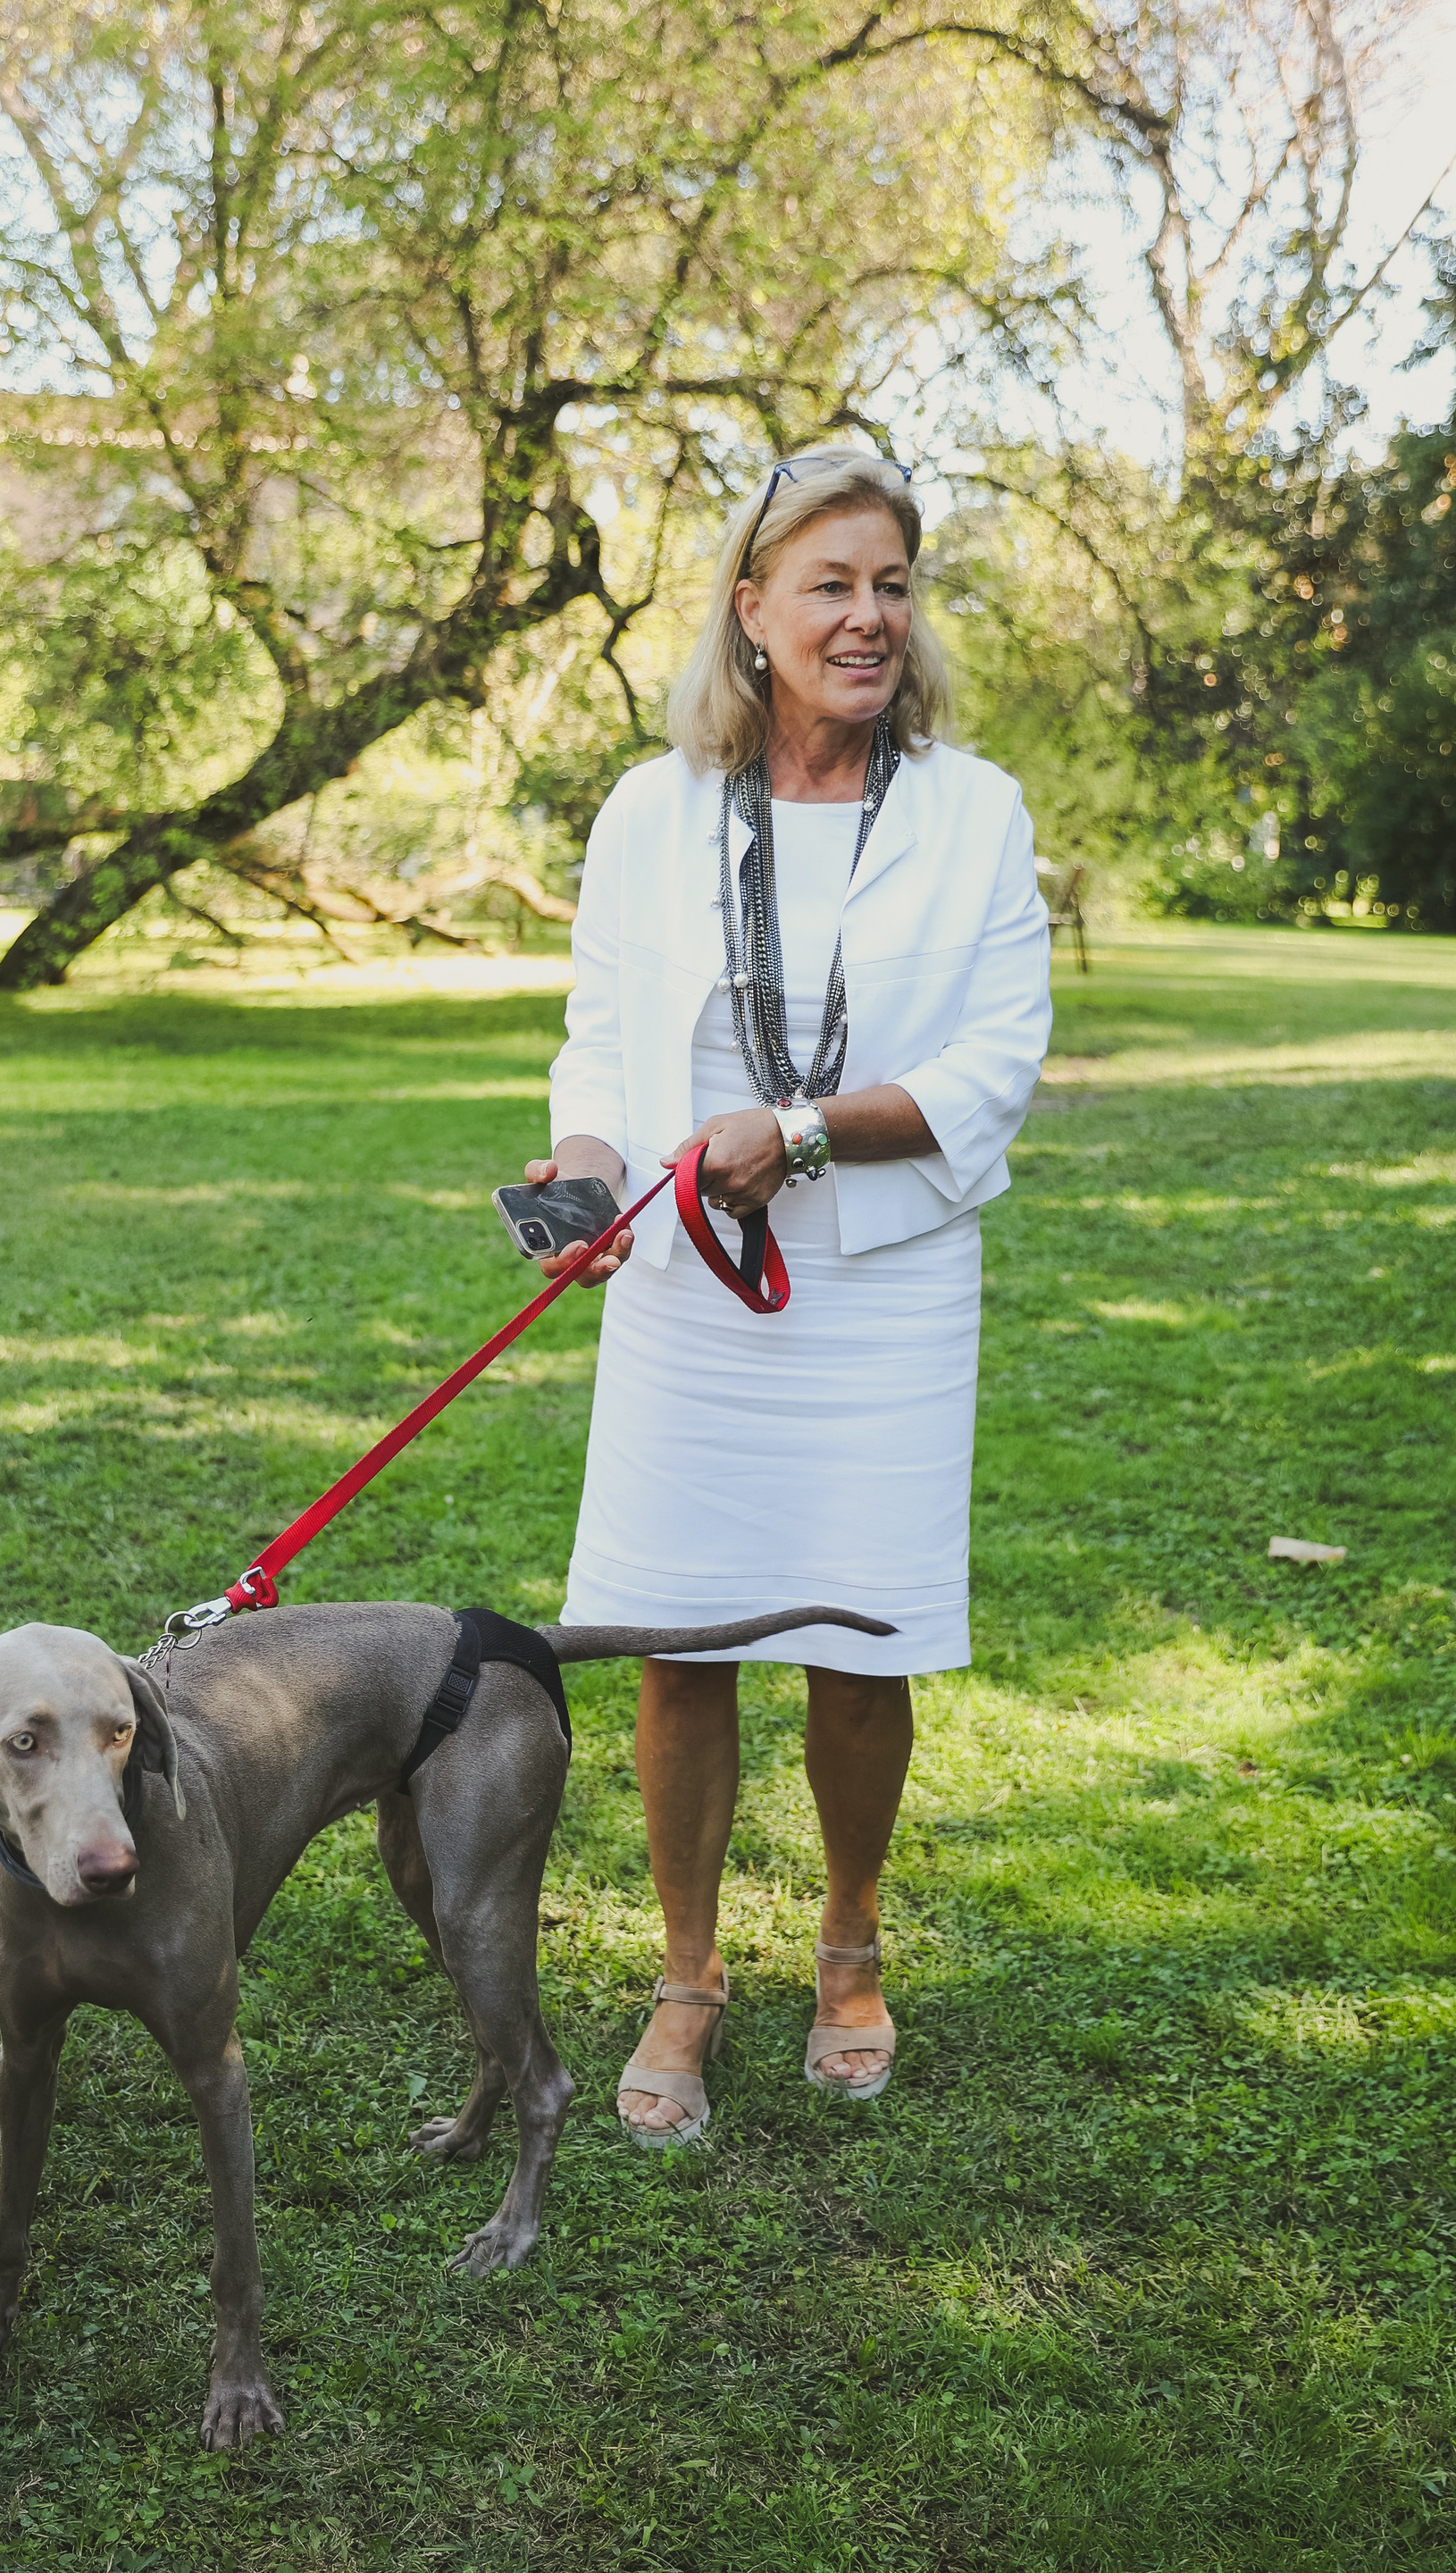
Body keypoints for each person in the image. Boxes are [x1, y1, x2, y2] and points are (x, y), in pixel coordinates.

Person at [525, 445, 1051, 2145]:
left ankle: (848, 1945)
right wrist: (588, 1176)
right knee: (676, 1636)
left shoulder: (974, 810)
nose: (867, 617)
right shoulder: (650, 808)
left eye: (891, 584)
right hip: (688, 1275)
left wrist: (805, 1132)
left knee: (855, 1633)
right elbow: (600, 1036)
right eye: (830, 584)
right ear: (751, 610)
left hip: (888, 1282)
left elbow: (996, 1064)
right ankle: (686, 1977)